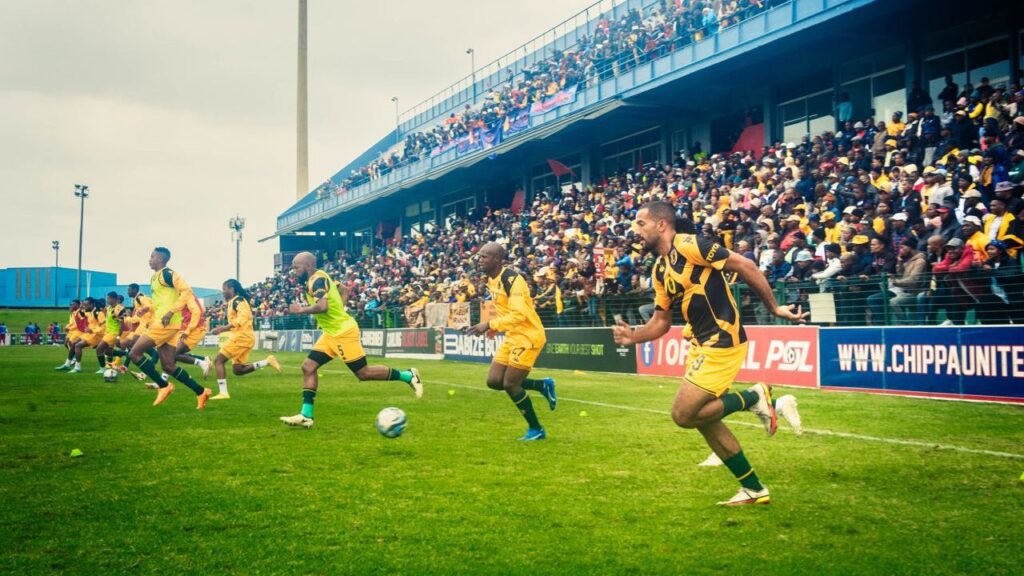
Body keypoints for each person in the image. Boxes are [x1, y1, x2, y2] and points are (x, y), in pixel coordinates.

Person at [613, 202, 805, 506]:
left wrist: (774, 308)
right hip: (701, 344)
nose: (635, 230)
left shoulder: (689, 245)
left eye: (640, 223)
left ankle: (755, 397)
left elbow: (745, 266)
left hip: (722, 338)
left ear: (661, 225)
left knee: (683, 414)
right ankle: (754, 489)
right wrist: (633, 336)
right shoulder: (660, 268)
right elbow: (661, 322)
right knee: (704, 419)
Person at [279, 252, 422, 429]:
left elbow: (322, 307)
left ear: (308, 266)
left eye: (296, 267)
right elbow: (344, 289)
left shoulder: (316, 280)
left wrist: (300, 310)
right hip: (331, 333)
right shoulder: (320, 277)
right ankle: (306, 416)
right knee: (308, 367)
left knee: (363, 373)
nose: (294, 271)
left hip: (343, 333)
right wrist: (341, 310)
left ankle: (408, 375)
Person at [464, 243, 557, 441]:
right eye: (479, 256)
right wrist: (495, 328)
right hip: (512, 335)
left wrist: (489, 324)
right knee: (494, 381)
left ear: (497, 259)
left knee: (511, 383)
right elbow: (505, 310)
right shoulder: (491, 279)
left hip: (528, 335)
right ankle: (542, 386)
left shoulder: (512, 280)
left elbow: (519, 314)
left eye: (485, 257)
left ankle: (536, 429)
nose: (480, 260)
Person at [127, 247, 211, 409]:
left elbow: (187, 291)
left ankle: (163, 386)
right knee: (168, 365)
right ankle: (201, 391)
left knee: (134, 353)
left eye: (152, 256)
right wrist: (147, 308)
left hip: (165, 323)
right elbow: (159, 301)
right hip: (168, 324)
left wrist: (172, 311)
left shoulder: (168, 274)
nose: (149, 259)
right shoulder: (154, 278)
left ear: (160, 258)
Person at [208, 279, 281, 400]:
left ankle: (223, 393)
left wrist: (225, 327)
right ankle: (267, 361)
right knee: (238, 370)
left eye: (224, 289)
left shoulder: (238, 301)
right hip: (243, 337)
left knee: (218, 361)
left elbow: (244, 317)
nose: (223, 292)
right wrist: (223, 329)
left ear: (231, 289)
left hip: (242, 337)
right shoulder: (233, 302)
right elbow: (238, 323)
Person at [69, 298, 104, 373]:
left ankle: (77, 367)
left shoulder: (98, 313)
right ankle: (71, 363)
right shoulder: (91, 312)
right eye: (84, 304)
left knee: (78, 345)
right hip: (89, 334)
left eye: (86, 305)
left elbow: (103, 326)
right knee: (74, 343)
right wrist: (81, 307)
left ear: (91, 305)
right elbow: (83, 314)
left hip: (96, 335)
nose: (85, 306)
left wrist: (92, 330)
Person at [95, 291, 127, 373]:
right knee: (108, 351)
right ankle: (125, 353)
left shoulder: (120, 309)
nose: (107, 300)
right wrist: (102, 322)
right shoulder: (108, 308)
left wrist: (118, 337)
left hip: (114, 333)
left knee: (99, 349)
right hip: (108, 332)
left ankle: (102, 369)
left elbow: (121, 324)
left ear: (114, 299)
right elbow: (109, 318)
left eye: (108, 298)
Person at [54, 300, 84, 370]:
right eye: (70, 304)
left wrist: (68, 327)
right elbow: (73, 323)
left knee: (73, 344)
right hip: (73, 331)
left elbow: (79, 324)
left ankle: (73, 362)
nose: (71, 306)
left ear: (78, 305)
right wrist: (68, 327)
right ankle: (71, 362)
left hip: (78, 331)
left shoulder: (79, 312)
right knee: (67, 344)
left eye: (73, 304)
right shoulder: (73, 313)